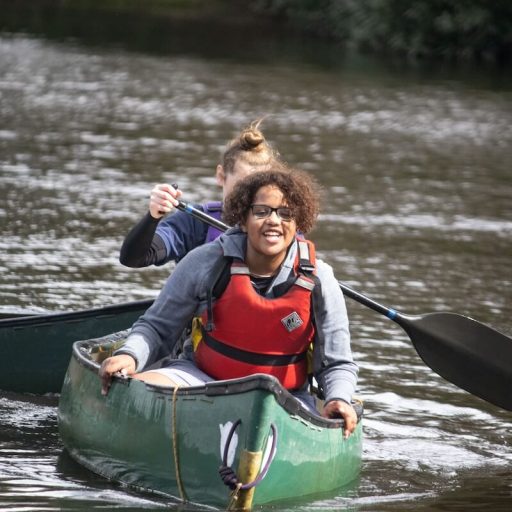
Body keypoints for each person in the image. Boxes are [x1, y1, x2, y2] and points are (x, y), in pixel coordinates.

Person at [101, 168, 359, 438]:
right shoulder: (205, 262)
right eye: (261, 212)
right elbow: (156, 328)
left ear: (297, 224)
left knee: (315, 409)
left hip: (282, 397)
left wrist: (338, 398)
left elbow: (337, 362)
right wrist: (129, 355)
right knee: (137, 387)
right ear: (243, 220)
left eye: (285, 214)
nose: (273, 221)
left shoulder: (321, 278)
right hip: (201, 381)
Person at [119, 120, 281, 267]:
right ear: (221, 176)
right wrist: (153, 217)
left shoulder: (282, 227)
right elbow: (133, 259)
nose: (250, 195)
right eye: (242, 186)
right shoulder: (193, 223)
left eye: (258, 186)